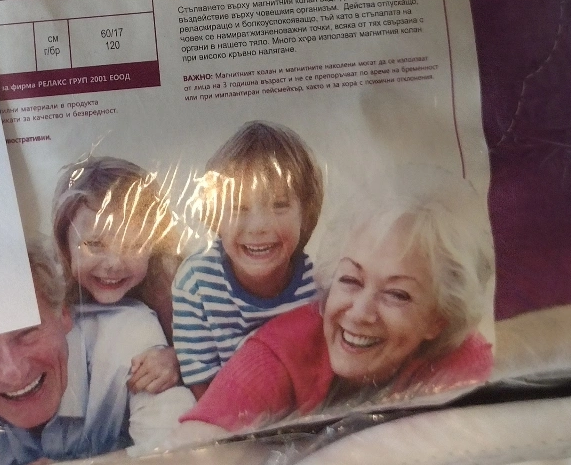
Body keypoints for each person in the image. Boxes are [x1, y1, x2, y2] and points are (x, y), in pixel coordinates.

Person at [173, 183, 494, 438]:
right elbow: (194, 447)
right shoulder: (280, 353)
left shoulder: (461, 357)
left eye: (397, 294)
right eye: (350, 280)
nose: (359, 313)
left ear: (437, 320)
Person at [0, 244, 196, 465]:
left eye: (27, 333)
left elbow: (185, 457)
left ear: (63, 314)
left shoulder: (128, 337)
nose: (13, 371)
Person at [172, 120, 324, 396]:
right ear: (214, 214)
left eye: (279, 205)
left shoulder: (319, 285)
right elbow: (202, 389)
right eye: (238, 208)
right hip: (224, 409)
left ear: (306, 212)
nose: (258, 226)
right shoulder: (196, 283)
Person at [52, 156, 183, 394]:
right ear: (64, 244)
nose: (114, 264)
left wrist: (176, 358)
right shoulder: (49, 290)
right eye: (95, 244)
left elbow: (216, 352)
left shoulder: (171, 285)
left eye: (133, 245)